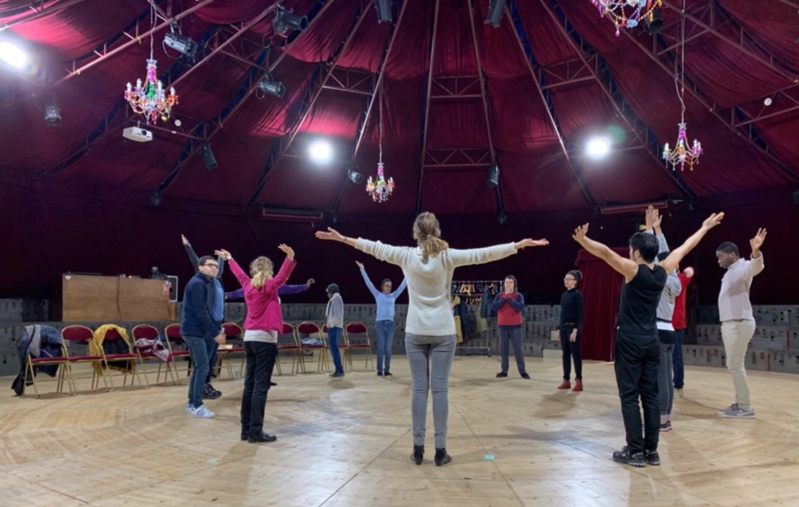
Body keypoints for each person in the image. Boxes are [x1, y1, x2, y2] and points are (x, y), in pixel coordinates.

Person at [316, 212, 549, 466]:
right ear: (436, 231)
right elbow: (482, 254)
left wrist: (342, 239)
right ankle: (440, 450)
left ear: (415, 233)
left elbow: (374, 248)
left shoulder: (405, 255)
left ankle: (417, 449)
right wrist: (517, 246)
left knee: (418, 389)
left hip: (415, 332)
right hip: (443, 333)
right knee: (440, 391)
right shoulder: (447, 256)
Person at [572, 208, 724, 467]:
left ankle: (635, 451)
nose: (629, 252)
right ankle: (651, 451)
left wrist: (583, 241)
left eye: (631, 248)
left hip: (629, 340)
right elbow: (685, 247)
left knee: (629, 396)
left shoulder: (633, 271)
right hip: (651, 340)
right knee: (650, 396)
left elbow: (606, 253)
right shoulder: (663, 270)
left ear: (637, 252)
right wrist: (706, 227)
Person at [217, 245, 296, 443]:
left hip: (250, 339)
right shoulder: (268, 286)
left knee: (249, 386)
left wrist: (230, 258)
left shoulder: (248, 285)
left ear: (254, 269)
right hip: (265, 341)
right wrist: (290, 258)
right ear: (269, 270)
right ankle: (255, 432)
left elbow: (240, 275)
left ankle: (246, 430)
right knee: (261, 387)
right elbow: (282, 278)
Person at [715, 228, 767, 419]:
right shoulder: (730, 271)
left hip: (738, 323)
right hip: (733, 323)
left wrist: (755, 251)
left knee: (735, 365)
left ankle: (745, 407)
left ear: (732, 254)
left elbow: (756, 267)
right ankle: (740, 403)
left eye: (721, 256)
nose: (718, 260)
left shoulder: (744, 266)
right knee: (735, 364)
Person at [181, 255, 226, 418]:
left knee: (200, 367)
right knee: (203, 367)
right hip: (193, 332)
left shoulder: (204, 282)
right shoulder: (198, 284)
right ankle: (196, 404)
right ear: (200, 267)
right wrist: (215, 333)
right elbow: (201, 311)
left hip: (198, 331)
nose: (214, 268)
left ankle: (192, 403)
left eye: (216, 265)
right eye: (210, 265)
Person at [356, 261, 407, 377]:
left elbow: (403, 285)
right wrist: (362, 269)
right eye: (386, 285)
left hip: (390, 325)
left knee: (388, 349)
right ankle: (379, 370)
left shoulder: (393, 296)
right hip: (379, 324)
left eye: (390, 286)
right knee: (381, 348)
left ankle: (387, 370)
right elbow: (368, 283)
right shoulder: (378, 294)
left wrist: (408, 273)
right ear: (382, 286)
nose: (388, 288)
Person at [491, 275, 529, 379]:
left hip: (515, 326)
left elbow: (519, 307)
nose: (508, 284)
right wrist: (505, 298)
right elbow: (494, 307)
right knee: (503, 350)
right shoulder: (499, 296)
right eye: (506, 282)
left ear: (514, 284)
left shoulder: (518, 295)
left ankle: (522, 371)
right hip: (503, 326)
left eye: (510, 282)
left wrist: (510, 299)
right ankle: (504, 370)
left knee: (518, 349)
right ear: (504, 284)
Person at [558, 270, 584, 391]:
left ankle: (578, 380)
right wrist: (560, 328)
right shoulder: (564, 295)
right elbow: (563, 313)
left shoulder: (577, 295)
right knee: (565, 355)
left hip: (573, 328)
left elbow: (580, 314)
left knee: (575, 355)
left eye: (568, 279)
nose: (566, 281)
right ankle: (566, 379)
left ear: (575, 281)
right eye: (565, 279)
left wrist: (575, 329)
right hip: (564, 328)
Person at [672, 266, 695, 396]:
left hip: (676, 324)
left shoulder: (680, 278)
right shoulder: (663, 279)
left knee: (676, 356)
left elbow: (689, 272)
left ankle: (678, 383)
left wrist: (690, 270)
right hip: (664, 323)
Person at [225, 278, 315, 300]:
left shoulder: (273, 286)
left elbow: (289, 288)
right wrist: (229, 295)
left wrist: (305, 286)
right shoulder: (253, 286)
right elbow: (241, 291)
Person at [326, 283, 345, 378]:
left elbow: (337, 314)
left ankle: (339, 369)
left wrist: (332, 325)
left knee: (334, 349)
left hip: (334, 327)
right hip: (333, 327)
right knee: (333, 349)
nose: (327, 294)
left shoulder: (336, 298)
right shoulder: (335, 298)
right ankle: (338, 369)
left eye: (328, 292)